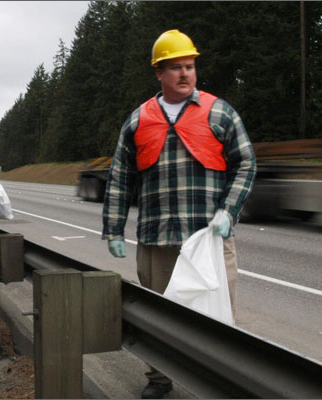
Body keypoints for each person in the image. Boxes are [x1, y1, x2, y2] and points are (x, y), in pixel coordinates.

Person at [101, 29, 256, 399]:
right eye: (175, 68)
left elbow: (246, 164)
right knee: (159, 315)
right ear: (159, 73)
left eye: (190, 66)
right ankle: (159, 380)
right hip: (156, 240)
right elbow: (120, 179)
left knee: (218, 316)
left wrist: (228, 212)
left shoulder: (219, 112)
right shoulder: (138, 120)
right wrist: (113, 230)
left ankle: (222, 382)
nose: (185, 74)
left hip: (210, 240)